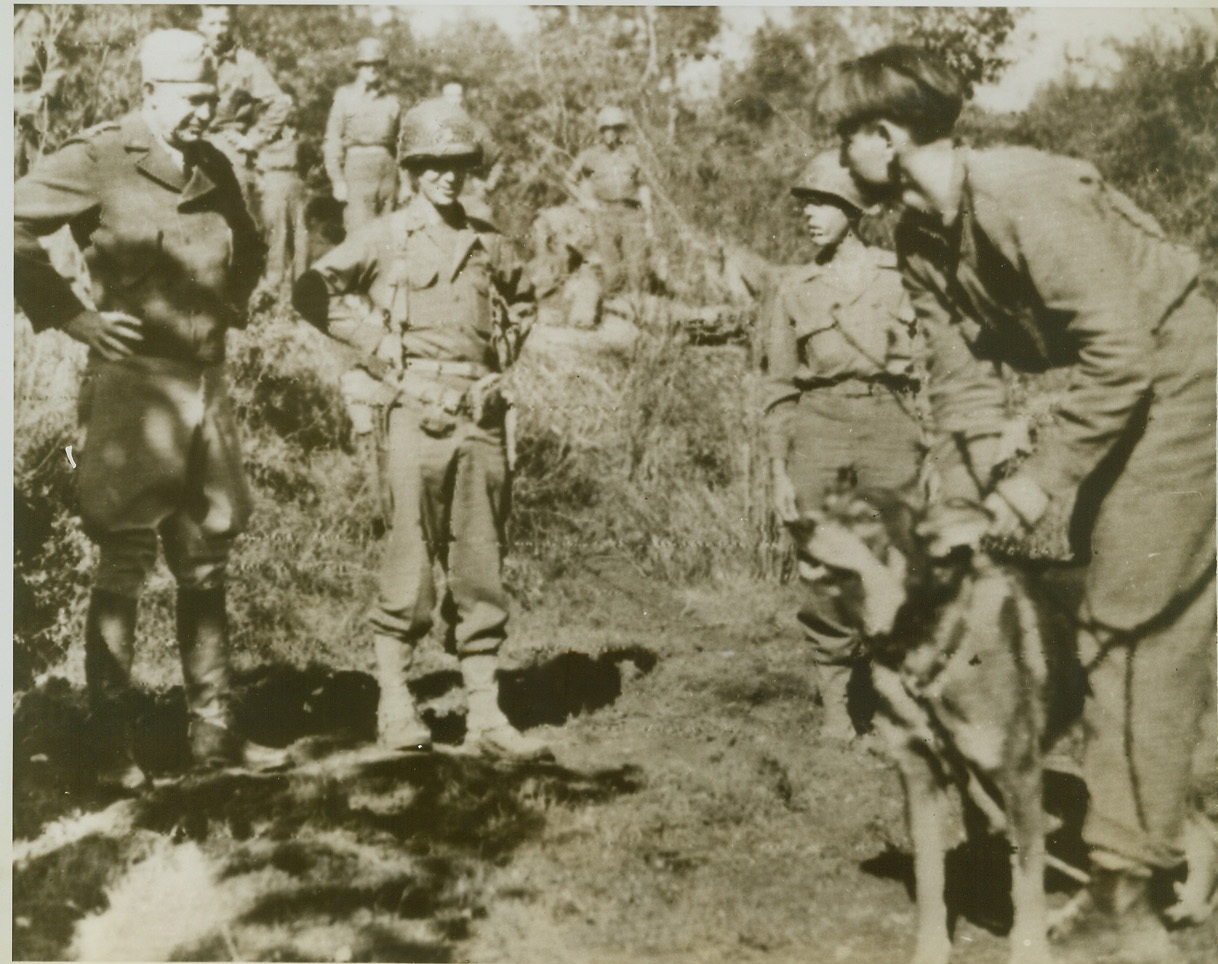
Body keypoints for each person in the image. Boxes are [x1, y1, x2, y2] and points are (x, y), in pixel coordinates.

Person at [819, 44, 1216, 960]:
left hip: (1182, 377)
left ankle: (1126, 897)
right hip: (1120, 386)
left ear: (886, 136)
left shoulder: (1022, 193)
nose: (843, 161)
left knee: (1132, 624)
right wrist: (955, 521)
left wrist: (1037, 480)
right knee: (1084, 607)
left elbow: (1123, 355)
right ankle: (1155, 833)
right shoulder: (917, 236)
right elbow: (961, 391)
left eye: (848, 140)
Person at [14, 29, 287, 786]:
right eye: (190, 98)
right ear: (149, 94)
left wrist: (227, 306)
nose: (204, 109)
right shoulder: (101, 158)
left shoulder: (216, 165)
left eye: (210, 96)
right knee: (126, 556)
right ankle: (110, 750)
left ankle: (215, 734)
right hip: (131, 388)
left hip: (207, 382)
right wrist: (73, 317)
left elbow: (253, 248)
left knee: (206, 557)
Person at [292, 98, 544, 759]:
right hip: (413, 413)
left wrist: (502, 361)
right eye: (432, 164)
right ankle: (396, 705)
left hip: (479, 418)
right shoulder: (385, 236)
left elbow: (522, 300)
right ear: (410, 169)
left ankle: (486, 713)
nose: (447, 177)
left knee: (480, 561)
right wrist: (378, 346)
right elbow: (312, 292)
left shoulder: (488, 241)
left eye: (458, 164)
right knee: (408, 562)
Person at [763, 150, 923, 742]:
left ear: (853, 209)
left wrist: (930, 447)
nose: (809, 216)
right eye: (805, 205)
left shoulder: (901, 274)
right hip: (819, 428)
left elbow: (931, 368)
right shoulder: (794, 288)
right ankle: (836, 705)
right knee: (825, 566)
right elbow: (779, 387)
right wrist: (779, 468)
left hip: (891, 425)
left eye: (823, 203)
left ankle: (888, 700)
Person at [197, 4, 292, 205]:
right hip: (189, 142)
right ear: (201, 25)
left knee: (237, 211)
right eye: (212, 23)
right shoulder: (190, 57)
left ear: (232, 25)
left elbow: (279, 104)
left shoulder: (246, 62)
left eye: (224, 23)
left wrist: (252, 140)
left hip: (225, 146)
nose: (219, 30)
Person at [565, 105, 654, 295]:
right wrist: (586, 202)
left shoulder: (633, 153)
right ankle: (613, 312)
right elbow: (569, 179)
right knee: (611, 270)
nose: (611, 133)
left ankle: (639, 310)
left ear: (622, 130)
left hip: (632, 213)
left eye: (616, 128)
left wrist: (649, 219)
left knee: (637, 268)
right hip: (605, 214)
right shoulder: (590, 155)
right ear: (600, 130)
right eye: (606, 128)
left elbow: (644, 185)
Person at [324, 37, 401, 233]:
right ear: (358, 67)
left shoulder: (392, 100)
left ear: (383, 67)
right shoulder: (344, 96)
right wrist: (337, 180)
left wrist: (406, 183)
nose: (372, 69)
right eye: (366, 64)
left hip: (387, 173)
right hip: (357, 171)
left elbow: (401, 144)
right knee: (359, 236)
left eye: (377, 64)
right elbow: (332, 140)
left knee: (388, 236)